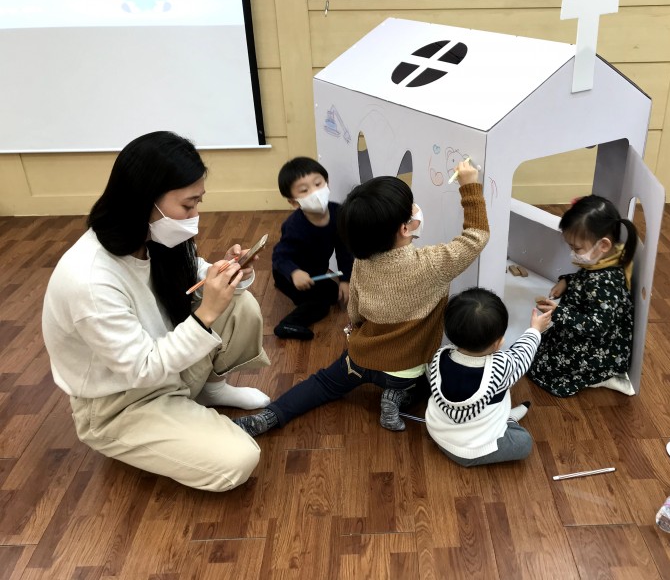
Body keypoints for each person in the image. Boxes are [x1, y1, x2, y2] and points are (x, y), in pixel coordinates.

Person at [41, 131, 272, 492]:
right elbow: (141, 368)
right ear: (145, 199)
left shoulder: (154, 239)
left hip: (168, 370)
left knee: (240, 304)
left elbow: (198, 277)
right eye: (188, 205)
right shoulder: (89, 279)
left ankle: (209, 392)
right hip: (120, 402)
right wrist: (206, 313)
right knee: (238, 461)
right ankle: (177, 420)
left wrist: (229, 272)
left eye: (198, 201)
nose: (195, 215)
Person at [233, 160, 489, 436]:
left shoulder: (361, 263)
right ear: (405, 228)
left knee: (321, 384)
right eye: (412, 207)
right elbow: (477, 236)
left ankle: (269, 417)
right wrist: (470, 186)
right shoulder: (434, 263)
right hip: (404, 371)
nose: (417, 209)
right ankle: (397, 397)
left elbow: (354, 313)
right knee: (433, 380)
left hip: (359, 359)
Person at [425, 288, 551, 467]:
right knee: (524, 443)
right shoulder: (501, 366)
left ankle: (504, 420)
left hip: (437, 432)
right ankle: (507, 421)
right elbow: (523, 354)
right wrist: (535, 330)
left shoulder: (441, 355)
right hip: (469, 452)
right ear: (497, 343)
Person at [528, 195, 638, 397]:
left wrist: (559, 312)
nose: (573, 253)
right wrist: (567, 281)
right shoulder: (602, 261)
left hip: (601, 346)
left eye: (576, 248)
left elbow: (598, 326)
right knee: (537, 352)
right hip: (580, 332)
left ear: (603, 245)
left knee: (546, 371)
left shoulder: (607, 281)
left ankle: (605, 375)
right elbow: (586, 280)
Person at [271, 157, 354, 341]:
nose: (315, 192)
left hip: (316, 273)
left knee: (335, 293)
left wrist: (345, 280)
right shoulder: (294, 226)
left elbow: (343, 249)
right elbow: (280, 256)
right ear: (293, 202)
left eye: (318, 184)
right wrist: (294, 273)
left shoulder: (338, 212)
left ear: (327, 183)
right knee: (320, 304)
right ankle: (288, 324)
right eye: (304, 190)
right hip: (290, 276)